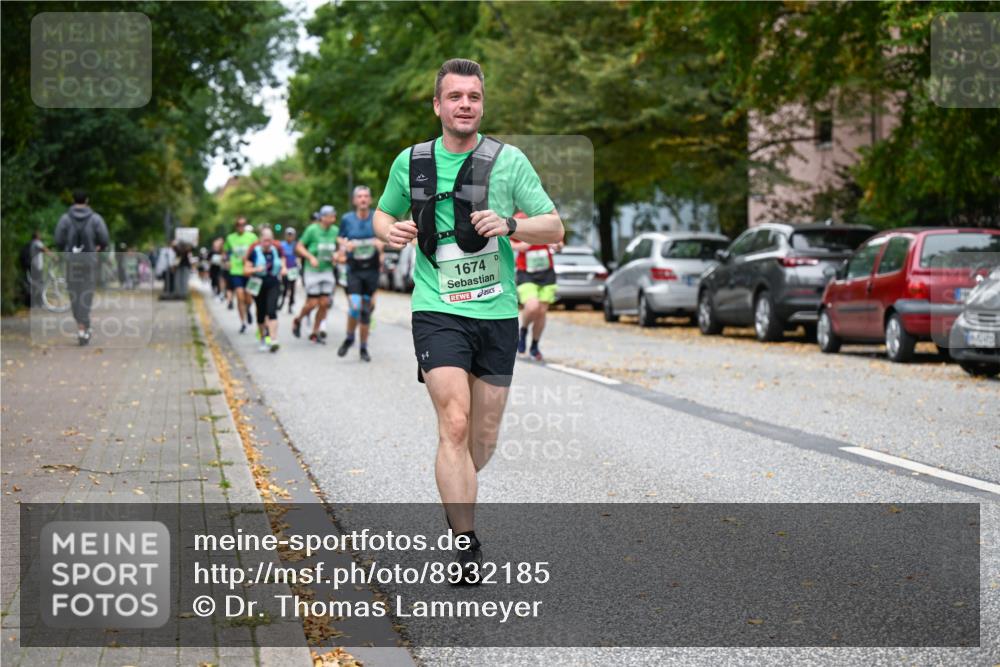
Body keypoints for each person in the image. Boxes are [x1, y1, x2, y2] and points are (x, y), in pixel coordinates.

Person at [373, 58, 563, 582]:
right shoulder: (411, 163)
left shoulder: (509, 161)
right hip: (437, 309)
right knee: (453, 424)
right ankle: (465, 543)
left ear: (482, 104)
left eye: (473, 97)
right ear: (437, 105)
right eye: (454, 96)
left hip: (498, 312)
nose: (464, 104)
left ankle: (455, 482)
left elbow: (553, 226)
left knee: (481, 438)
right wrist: (387, 230)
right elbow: (384, 213)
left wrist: (510, 223)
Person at [54, 190, 111, 345]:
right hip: (89, 262)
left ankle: (81, 326)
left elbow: (58, 239)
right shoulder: (95, 219)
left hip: (71, 262)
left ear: (73, 200)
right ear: (87, 200)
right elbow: (104, 238)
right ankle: (83, 328)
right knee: (85, 295)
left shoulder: (65, 219)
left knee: (74, 294)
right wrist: (98, 248)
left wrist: (66, 248)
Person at [337, 186, 383, 362]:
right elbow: (340, 237)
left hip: (371, 270)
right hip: (354, 269)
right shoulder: (347, 219)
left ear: (370, 200)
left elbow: (386, 235)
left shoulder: (376, 217)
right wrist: (345, 245)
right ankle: (349, 337)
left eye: (366, 196)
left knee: (366, 311)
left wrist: (381, 243)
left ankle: (363, 347)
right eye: (359, 196)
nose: (363, 199)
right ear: (355, 200)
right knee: (355, 306)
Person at [513, 221, 562, 361]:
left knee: (541, 312)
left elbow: (559, 242)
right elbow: (505, 241)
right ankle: (523, 331)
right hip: (526, 273)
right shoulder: (519, 218)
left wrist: (556, 245)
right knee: (532, 306)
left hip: (547, 273)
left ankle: (534, 345)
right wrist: (521, 246)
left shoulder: (547, 217)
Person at [293, 205, 339, 344]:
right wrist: (310, 257)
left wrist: (337, 255)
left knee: (324, 303)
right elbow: (299, 247)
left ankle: (315, 331)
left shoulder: (335, 230)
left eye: (334, 216)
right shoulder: (312, 229)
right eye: (331, 216)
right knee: (312, 303)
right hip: (312, 271)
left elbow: (340, 247)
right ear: (323, 217)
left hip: (327, 270)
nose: (334, 218)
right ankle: (298, 320)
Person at [245, 227, 284, 352]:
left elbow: (283, 264)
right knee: (261, 313)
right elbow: (246, 270)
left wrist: (284, 269)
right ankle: (263, 338)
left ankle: (273, 340)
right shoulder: (254, 252)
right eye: (265, 240)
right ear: (260, 240)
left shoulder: (276, 249)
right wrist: (256, 269)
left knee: (272, 310)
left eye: (270, 240)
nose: (268, 243)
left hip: (273, 283)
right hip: (258, 284)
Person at [223, 217, 258, 333]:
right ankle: (243, 323)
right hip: (236, 271)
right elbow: (226, 252)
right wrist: (227, 261)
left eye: (243, 224)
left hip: (248, 270)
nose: (241, 226)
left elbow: (257, 252)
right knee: (239, 296)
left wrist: (252, 262)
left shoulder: (252, 237)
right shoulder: (230, 238)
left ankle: (248, 309)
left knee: (248, 297)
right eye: (239, 224)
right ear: (236, 226)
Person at [279, 227, 300, 314]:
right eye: (288, 235)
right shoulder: (282, 244)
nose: (290, 237)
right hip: (285, 268)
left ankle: (290, 305)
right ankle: (282, 302)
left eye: (291, 235)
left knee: (292, 288)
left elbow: (299, 256)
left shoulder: (296, 245)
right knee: (284, 287)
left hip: (293, 269)